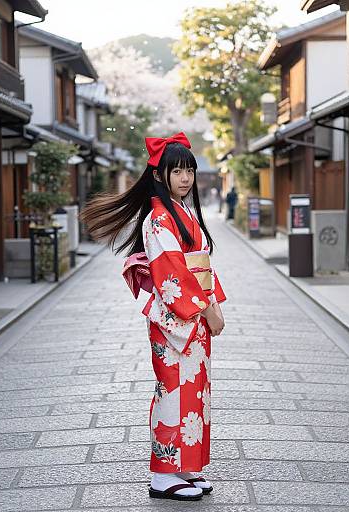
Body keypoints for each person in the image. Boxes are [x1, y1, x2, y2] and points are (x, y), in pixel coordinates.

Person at [80, 131, 227, 502]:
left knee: (193, 393)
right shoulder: (158, 219)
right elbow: (172, 272)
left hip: (192, 318)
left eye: (188, 171)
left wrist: (214, 303)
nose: (185, 178)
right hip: (173, 320)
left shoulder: (184, 212)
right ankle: (162, 474)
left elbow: (201, 266)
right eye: (176, 171)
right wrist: (206, 307)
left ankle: (183, 466)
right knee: (171, 392)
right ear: (159, 175)